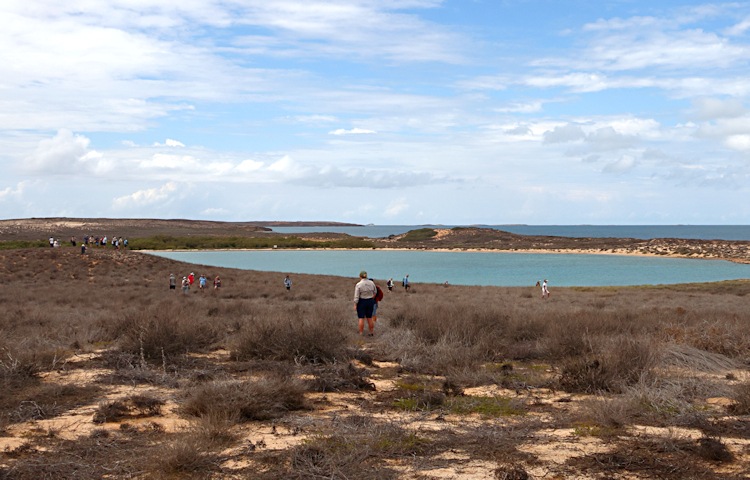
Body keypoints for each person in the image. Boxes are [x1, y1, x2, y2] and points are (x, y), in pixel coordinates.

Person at [353, 270, 377, 337]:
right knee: (369, 317)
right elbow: (375, 292)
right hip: (370, 301)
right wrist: (372, 298)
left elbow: (356, 296)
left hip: (362, 301)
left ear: (360, 276)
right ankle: (371, 332)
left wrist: (355, 304)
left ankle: (361, 333)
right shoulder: (372, 283)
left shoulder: (358, 284)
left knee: (361, 318)